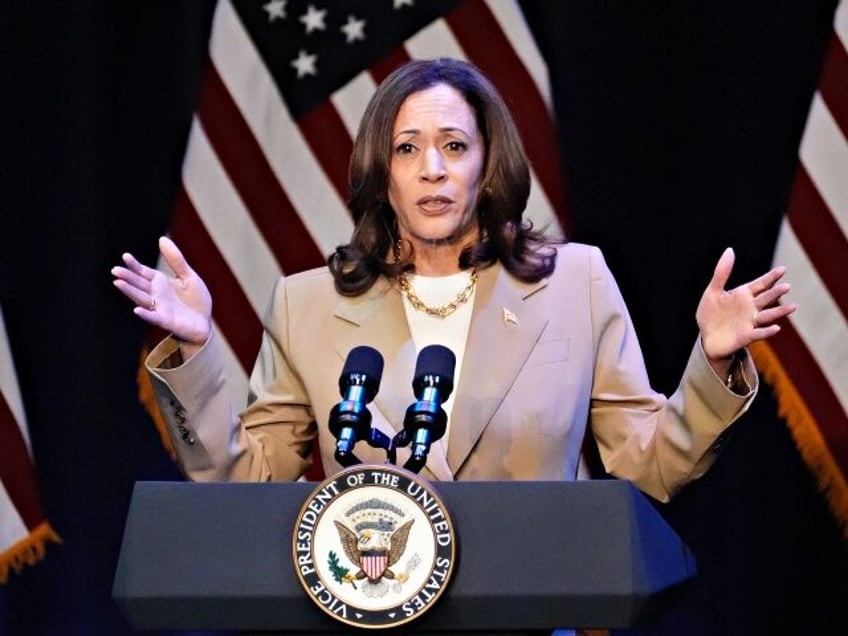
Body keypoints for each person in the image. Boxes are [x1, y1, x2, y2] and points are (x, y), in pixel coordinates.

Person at [111, 58, 796, 501]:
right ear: (382, 173)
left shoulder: (575, 284)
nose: (433, 169)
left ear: (486, 164)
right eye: (408, 149)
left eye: (455, 146)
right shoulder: (307, 305)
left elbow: (649, 465)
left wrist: (710, 361)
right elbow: (248, 486)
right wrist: (196, 353)